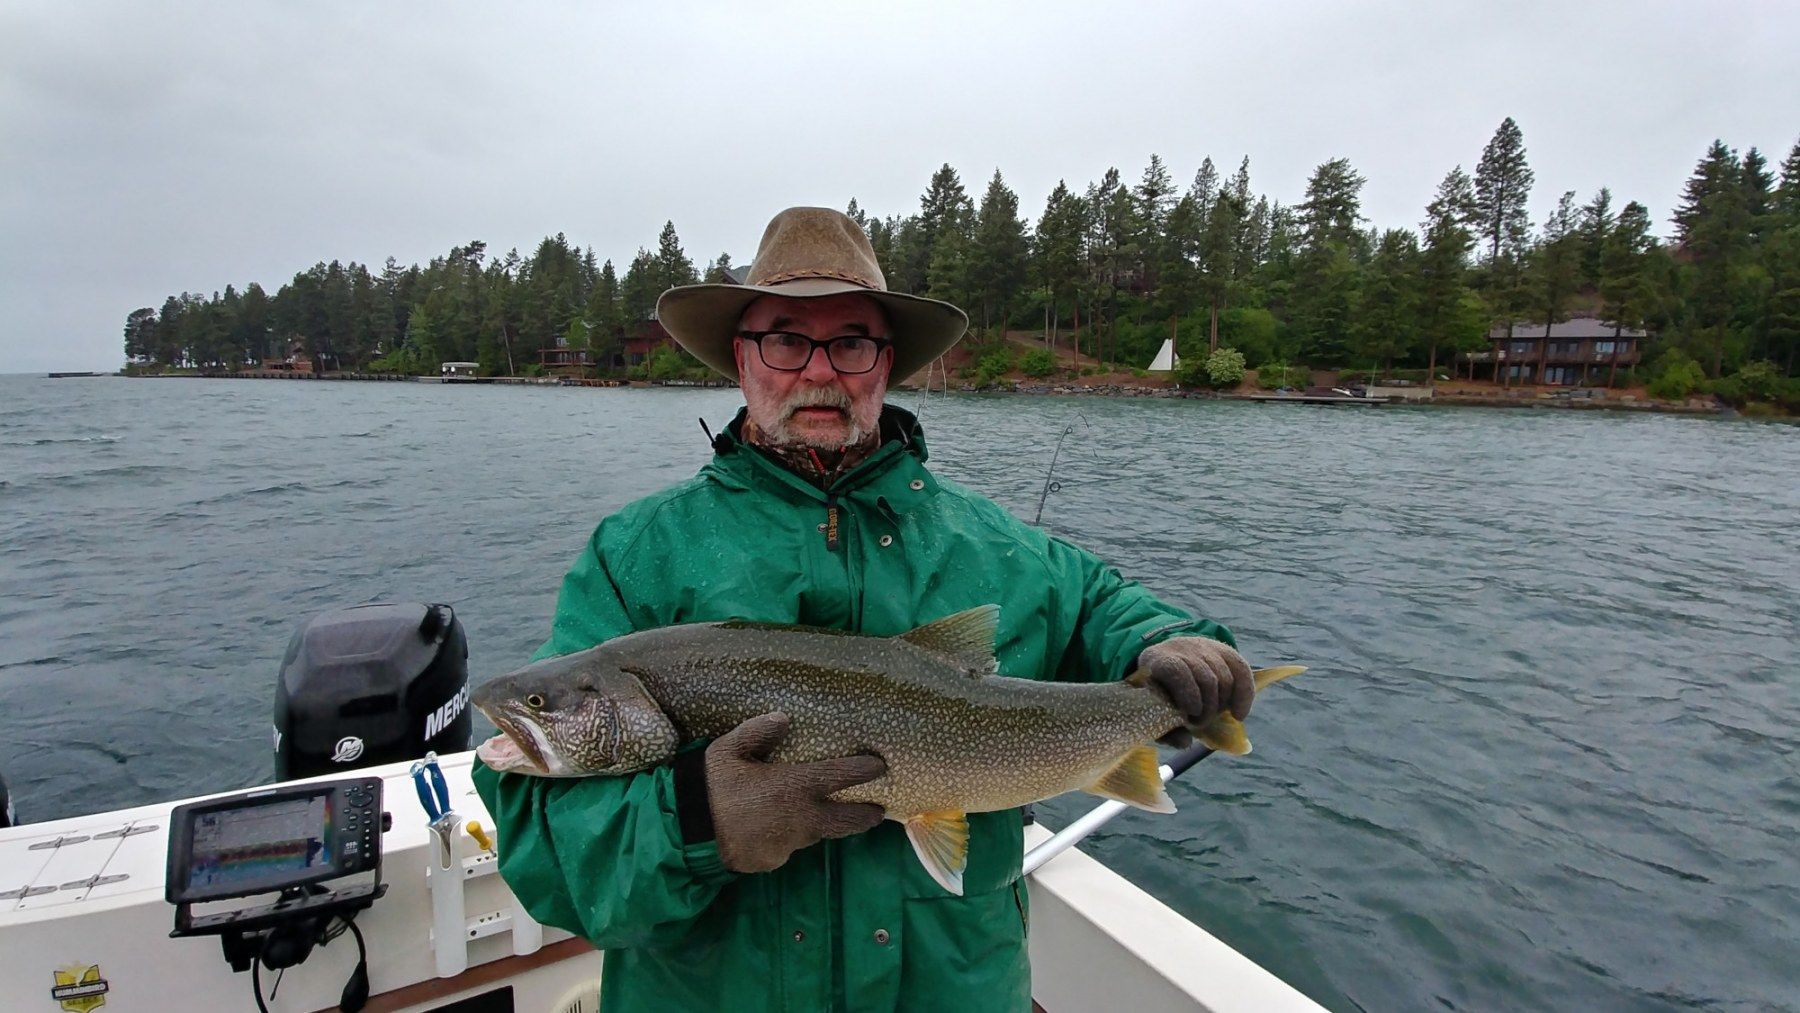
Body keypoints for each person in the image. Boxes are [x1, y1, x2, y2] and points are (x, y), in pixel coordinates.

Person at [473, 207, 1256, 1011]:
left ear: (887, 365)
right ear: (741, 359)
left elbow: (1110, 608)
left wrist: (1174, 644)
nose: (818, 370)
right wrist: (694, 820)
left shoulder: (996, 547)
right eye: (785, 339)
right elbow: (545, 850)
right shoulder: (636, 554)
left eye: (850, 341)